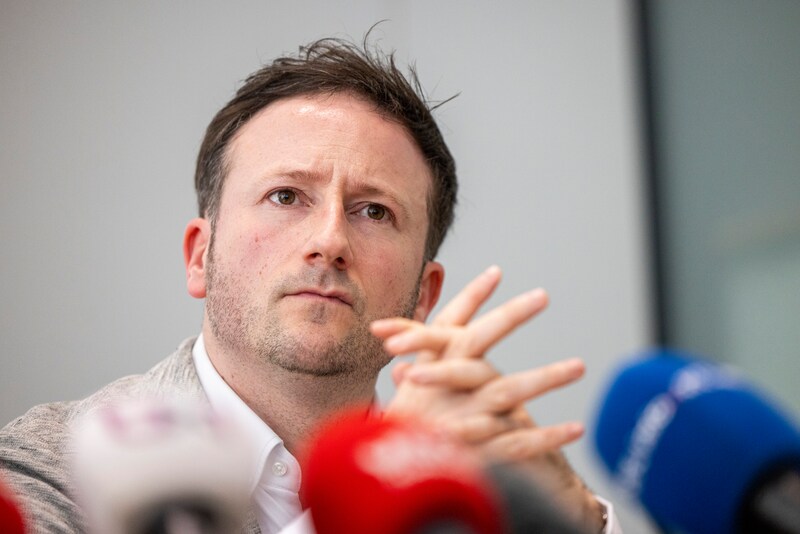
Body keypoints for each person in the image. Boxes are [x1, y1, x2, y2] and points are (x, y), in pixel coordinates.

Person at [0, 37, 621, 533]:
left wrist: (574, 518)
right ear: (200, 256)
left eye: (374, 210)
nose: (330, 240)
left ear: (424, 298)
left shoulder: (476, 496)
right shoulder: (47, 468)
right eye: (286, 196)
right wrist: (370, 503)